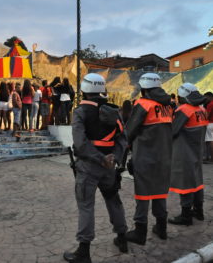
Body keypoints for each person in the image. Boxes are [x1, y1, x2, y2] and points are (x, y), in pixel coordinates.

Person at [63, 73, 128, 263]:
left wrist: (100, 159)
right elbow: (123, 140)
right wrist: (112, 158)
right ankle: (122, 238)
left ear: (84, 90)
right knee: (113, 200)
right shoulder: (114, 111)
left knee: (86, 207)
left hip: (88, 167)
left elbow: (81, 144)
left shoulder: (80, 112)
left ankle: (83, 252)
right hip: (109, 167)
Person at [125, 73, 173, 245]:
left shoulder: (143, 104)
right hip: (165, 158)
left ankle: (140, 233)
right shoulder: (168, 106)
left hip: (145, 158)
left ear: (144, 88)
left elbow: (128, 132)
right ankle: (162, 228)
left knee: (144, 194)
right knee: (160, 193)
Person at [169, 83, 208, 225]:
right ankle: (199, 211)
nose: (179, 99)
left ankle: (186, 216)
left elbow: (172, 131)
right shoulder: (201, 110)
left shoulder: (184, 110)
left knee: (185, 183)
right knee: (197, 182)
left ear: (184, 96)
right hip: (197, 152)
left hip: (184, 153)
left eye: (180, 96)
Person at [204, 92, 213, 162]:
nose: (205, 99)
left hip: (210, 123)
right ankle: (208, 157)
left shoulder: (210, 104)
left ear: (210, 97)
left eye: (206, 98)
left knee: (210, 141)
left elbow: (208, 115)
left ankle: (211, 158)